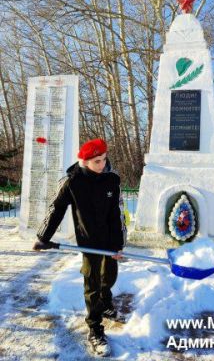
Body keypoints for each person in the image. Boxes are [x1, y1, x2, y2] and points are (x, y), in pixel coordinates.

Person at [32, 138, 126, 357]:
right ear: (85, 162)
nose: (102, 165)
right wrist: (43, 237)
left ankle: (106, 303)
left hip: (110, 241)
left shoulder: (112, 180)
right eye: (97, 161)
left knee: (109, 277)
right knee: (92, 282)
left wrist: (119, 245)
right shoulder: (73, 182)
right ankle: (95, 328)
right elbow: (56, 209)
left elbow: (118, 214)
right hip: (89, 242)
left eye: (104, 159)